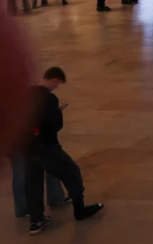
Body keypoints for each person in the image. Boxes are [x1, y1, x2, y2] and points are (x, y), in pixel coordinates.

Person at [22, 67, 104, 235]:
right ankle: (80, 210)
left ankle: (36, 221)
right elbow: (55, 125)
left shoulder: (27, 93)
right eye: (57, 84)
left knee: (33, 183)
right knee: (72, 173)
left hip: (28, 147)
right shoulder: (49, 98)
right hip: (46, 147)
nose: (56, 87)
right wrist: (58, 112)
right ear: (53, 79)